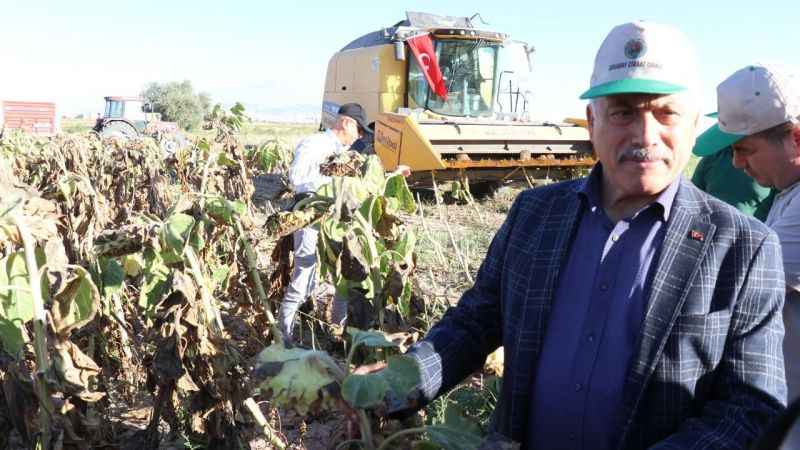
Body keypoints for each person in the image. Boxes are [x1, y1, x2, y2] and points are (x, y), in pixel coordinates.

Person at [373, 22, 787, 449]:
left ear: (693, 123)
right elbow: (475, 322)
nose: (646, 136)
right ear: (592, 121)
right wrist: (395, 384)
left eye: (666, 113)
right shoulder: (534, 214)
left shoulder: (743, 247)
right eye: (623, 112)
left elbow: (750, 407)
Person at [693, 64, 800, 403]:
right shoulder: (788, 193)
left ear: (796, 138)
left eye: (744, 149)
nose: (737, 163)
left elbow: (731, 285)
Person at [279, 103, 371, 341]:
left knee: (343, 273)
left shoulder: (347, 153)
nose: (358, 137)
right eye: (359, 131)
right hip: (312, 215)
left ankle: (336, 333)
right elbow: (296, 177)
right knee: (305, 272)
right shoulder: (316, 144)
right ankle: (284, 335)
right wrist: (330, 172)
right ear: (347, 123)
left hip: (337, 221)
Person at [691, 144, 775, 221]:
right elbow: (692, 200)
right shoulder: (713, 157)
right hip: (709, 230)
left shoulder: (772, 162)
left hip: (752, 234)